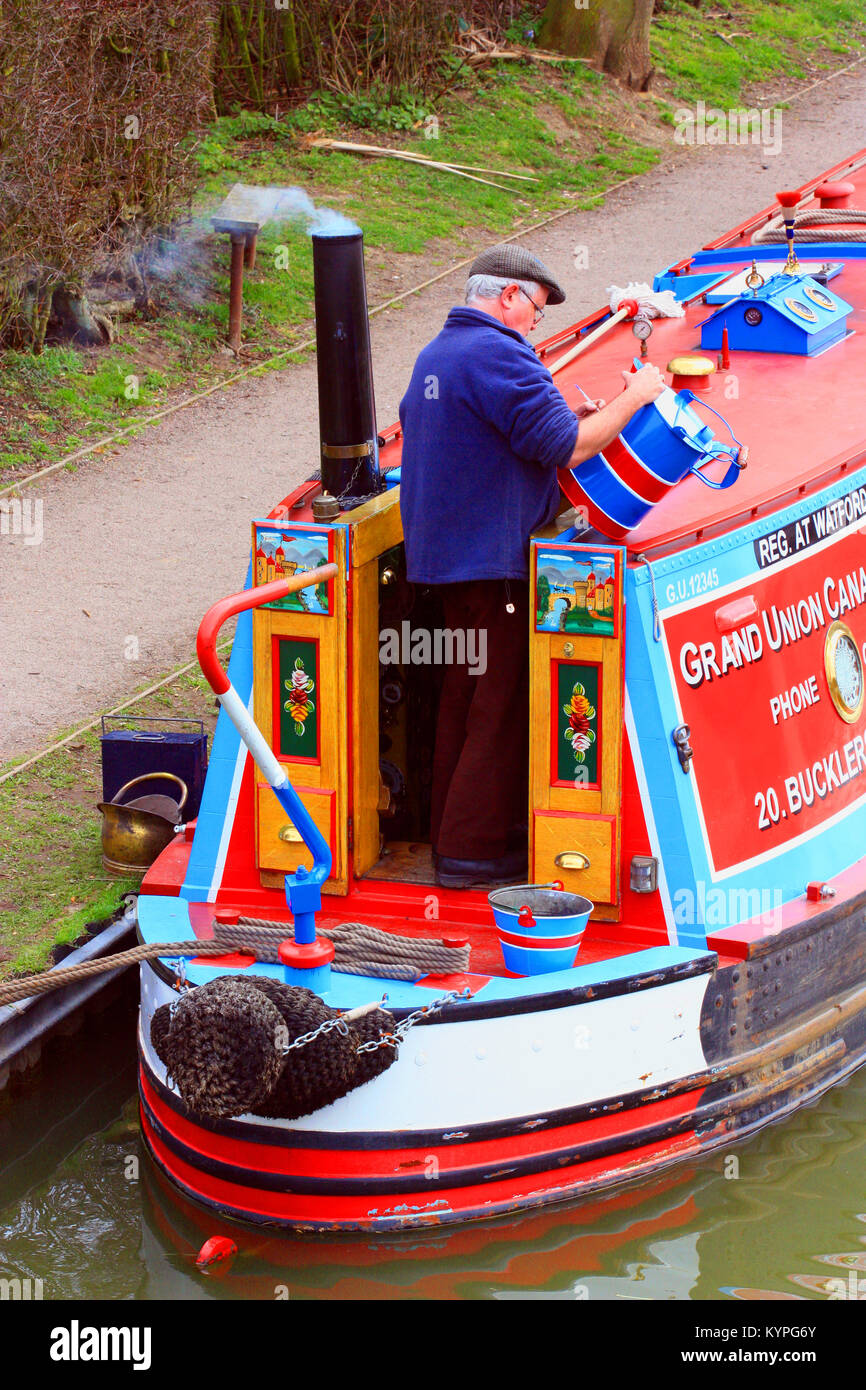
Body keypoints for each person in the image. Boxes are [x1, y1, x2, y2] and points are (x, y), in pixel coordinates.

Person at [399, 243, 664, 888]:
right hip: (496, 567)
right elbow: (570, 450)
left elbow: (506, 433)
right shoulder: (497, 351)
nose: (535, 324)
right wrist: (638, 397)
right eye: (537, 310)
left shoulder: (440, 353)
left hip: (448, 565)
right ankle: (476, 853)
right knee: (504, 700)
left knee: (464, 695)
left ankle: (453, 837)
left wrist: (563, 414)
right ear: (508, 296)